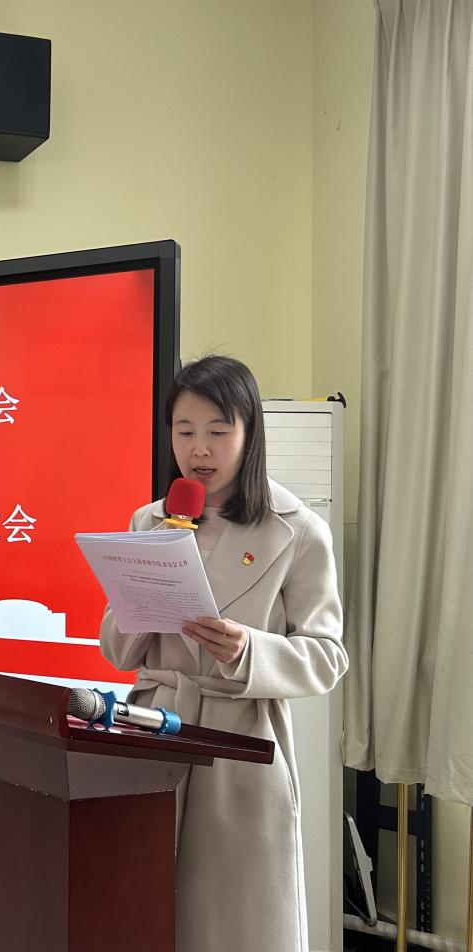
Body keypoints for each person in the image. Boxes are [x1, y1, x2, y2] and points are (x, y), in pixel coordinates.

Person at [99, 355, 348, 952]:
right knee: (148, 911)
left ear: (250, 432)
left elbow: (327, 656)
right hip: (153, 731)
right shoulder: (151, 519)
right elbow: (116, 650)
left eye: (218, 430)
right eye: (184, 431)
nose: (199, 449)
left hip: (239, 744)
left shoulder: (298, 530)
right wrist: (148, 584)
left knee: (233, 922)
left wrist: (250, 650)